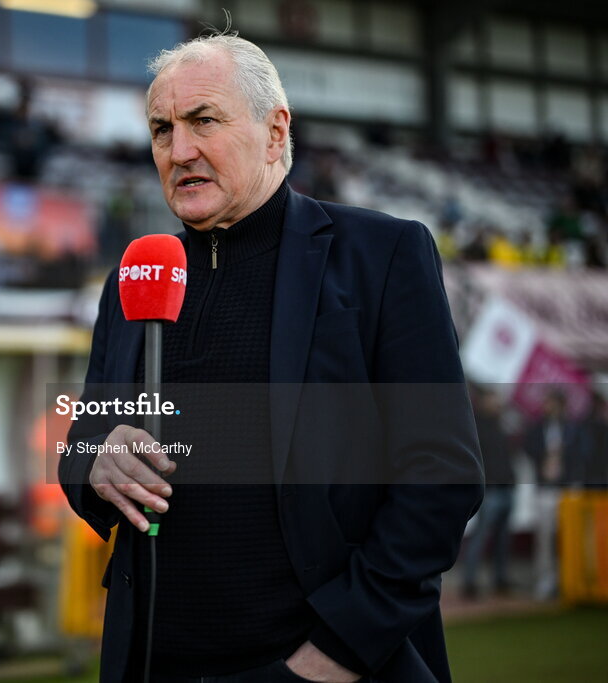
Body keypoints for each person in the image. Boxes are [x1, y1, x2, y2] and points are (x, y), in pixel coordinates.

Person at [59, 32, 483, 683]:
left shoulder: (381, 256)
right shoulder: (134, 275)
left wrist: (328, 659)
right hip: (154, 662)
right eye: (162, 129)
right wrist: (97, 458)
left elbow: (441, 474)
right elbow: (85, 439)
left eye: (204, 120)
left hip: (327, 668)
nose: (180, 151)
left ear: (274, 130)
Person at [523, 391, 584, 600]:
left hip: (566, 489)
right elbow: (528, 448)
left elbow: (582, 454)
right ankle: (544, 580)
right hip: (545, 490)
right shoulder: (537, 428)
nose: (548, 406)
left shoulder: (573, 428)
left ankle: (568, 579)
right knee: (544, 538)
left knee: (568, 536)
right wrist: (543, 459)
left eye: (551, 402)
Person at [461, 387, 516, 599]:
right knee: (480, 537)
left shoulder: (500, 424)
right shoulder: (477, 426)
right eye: (493, 398)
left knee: (502, 540)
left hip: (506, 489)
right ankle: (469, 581)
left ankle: (500, 579)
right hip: (491, 490)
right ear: (483, 401)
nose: (497, 402)